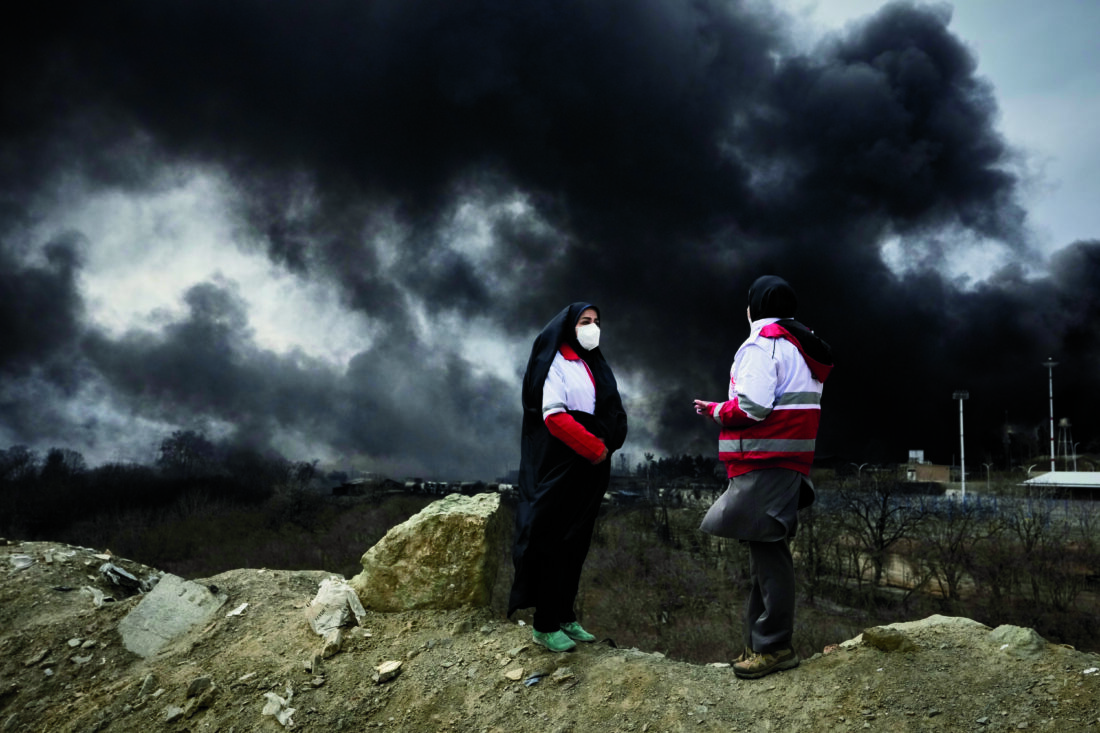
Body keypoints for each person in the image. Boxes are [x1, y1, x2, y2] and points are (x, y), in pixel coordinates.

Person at [692, 275, 833, 679]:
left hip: (764, 460)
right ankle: (758, 644)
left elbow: (752, 407)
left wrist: (716, 410)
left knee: (770, 558)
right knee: (763, 555)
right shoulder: (801, 344)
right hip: (785, 461)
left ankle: (773, 648)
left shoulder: (763, 344)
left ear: (755, 306)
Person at [508, 302, 628, 652]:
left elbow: (612, 409)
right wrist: (594, 447)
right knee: (553, 541)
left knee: (577, 542)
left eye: (597, 321)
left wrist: (610, 442)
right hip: (564, 465)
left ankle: (564, 614)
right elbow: (554, 416)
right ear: (568, 326)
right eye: (584, 321)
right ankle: (544, 624)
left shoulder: (594, 363)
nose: (593, 327)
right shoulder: (555, 363)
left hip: (593, 467)